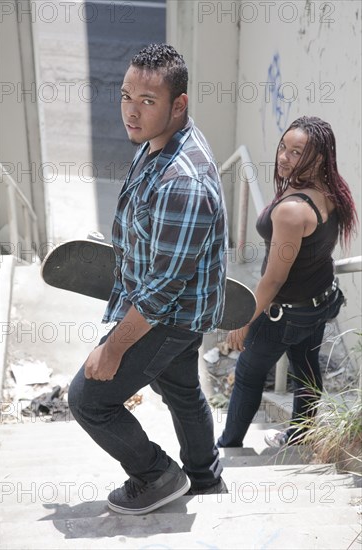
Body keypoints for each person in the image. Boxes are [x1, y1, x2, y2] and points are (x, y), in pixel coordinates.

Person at [68, 43, 228, 515]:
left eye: (147, 102)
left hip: (171, 315)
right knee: (179, 387)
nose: (131, 113)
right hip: (178, 307)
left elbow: (161, 294)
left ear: (179, 105)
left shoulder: (183, 181)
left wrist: (113, 347)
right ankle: (205, 480)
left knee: (88, 399)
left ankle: (156, 475)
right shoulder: (160, 139)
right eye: (125, 96)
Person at [217, 116, 358, 449]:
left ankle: (227, 446)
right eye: (284, 147)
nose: (284, 157)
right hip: (318, 302)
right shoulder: (330, 190)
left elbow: (274, 277)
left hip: (284, 313)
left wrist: (245, 319)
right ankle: (300, 435)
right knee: (306, 367)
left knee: (249, 375)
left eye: (297, 152)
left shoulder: (292, 211)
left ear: (319, 158)